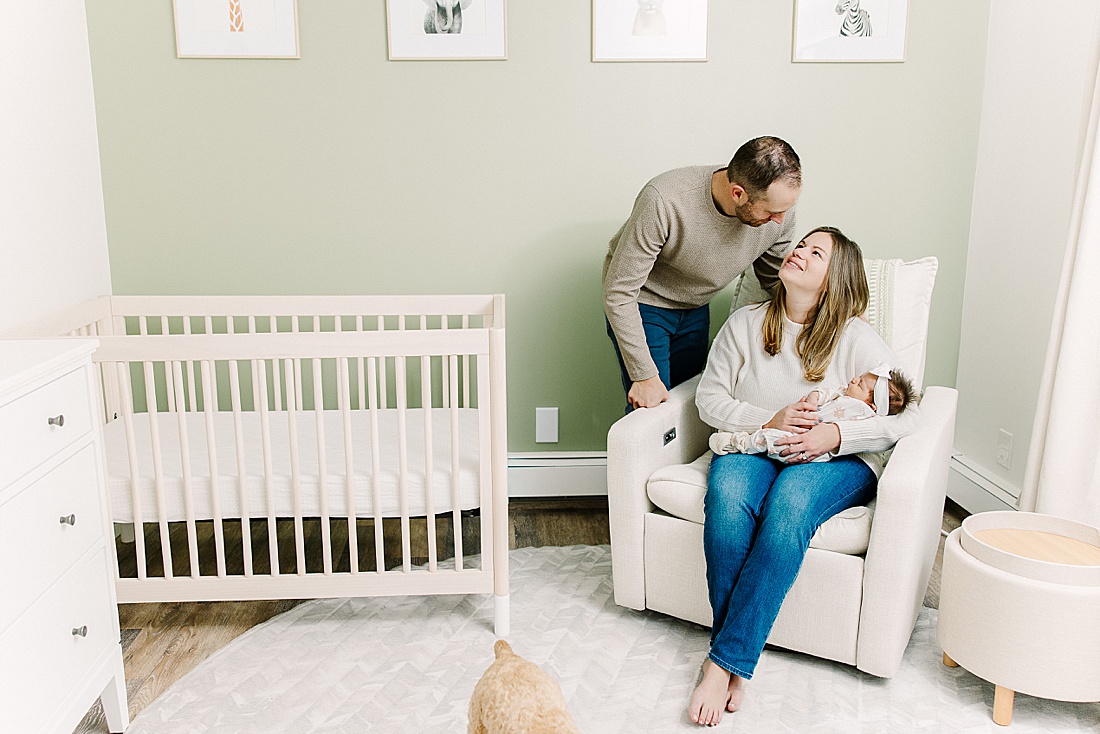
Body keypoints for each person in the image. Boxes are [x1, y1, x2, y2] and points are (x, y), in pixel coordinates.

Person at [687, 226, 920, 726]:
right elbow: (709, 399)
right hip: (756, 444)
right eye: (802, 245)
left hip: (832, 460)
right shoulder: (746, 325)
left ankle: (722, 662)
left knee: (787, 509)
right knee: (727, 505)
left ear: (836, 279)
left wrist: (833, 434)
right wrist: (766, 421)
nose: (800, 252)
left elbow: (907, 412)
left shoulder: (855, 336)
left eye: (817, 253)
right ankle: (736, 659)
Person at [603, 136, 802, 412]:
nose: (780, 220)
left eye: (785, 210)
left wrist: (838, 309)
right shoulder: (665, 200)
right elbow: (619, 292)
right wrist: (643, 375)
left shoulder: (780, 215)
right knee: (652, 407)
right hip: (644, 304)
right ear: (738, 194)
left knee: (688, 407)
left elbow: (772, 279)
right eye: (771, 211)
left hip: (696, 307)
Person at [709, 366, 917, 462]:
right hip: (798, 426)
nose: (853, 380)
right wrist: (813, 399)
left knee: (777, 442)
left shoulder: (866, 413)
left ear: (872, 405)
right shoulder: (843, 393)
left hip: (812, 448)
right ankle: (744, 440)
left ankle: (741, 443)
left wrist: (837, 435)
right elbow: (825, 392)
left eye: (860, 383)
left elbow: (908, 418)